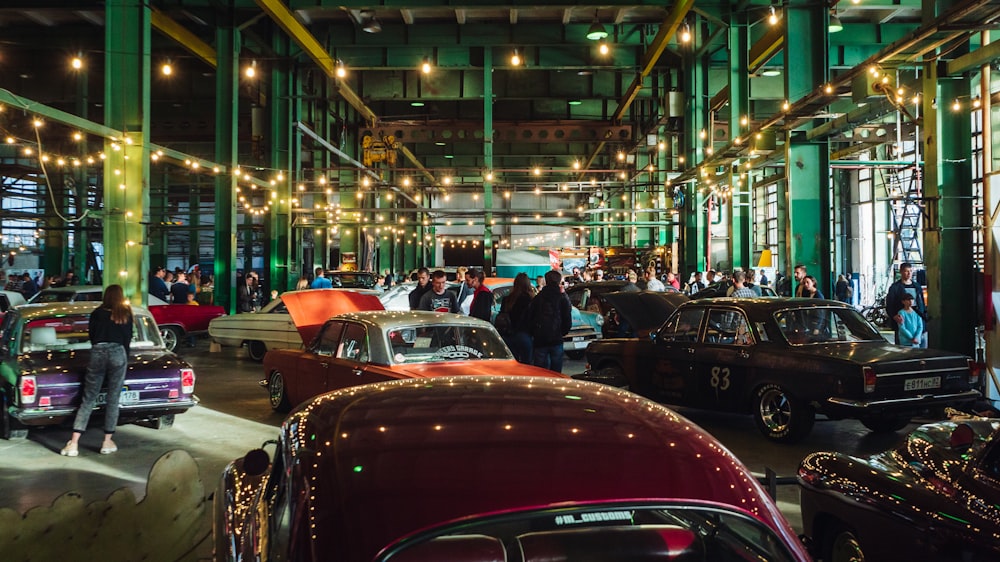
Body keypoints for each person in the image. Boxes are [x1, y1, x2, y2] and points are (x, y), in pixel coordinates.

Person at [60, 284, 133, 457]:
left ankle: (74, 443)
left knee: (88, 398)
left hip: (98, 352)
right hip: (118, 353)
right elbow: (127, 339)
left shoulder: (96, 313)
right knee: (113, 399)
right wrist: (124, 359)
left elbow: (92, 337)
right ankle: (107, 442)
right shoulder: (125, 313)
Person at [525, 269, 572, 373]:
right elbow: (567, 315)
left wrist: (533, 332)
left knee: (540, 370)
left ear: (546, 281)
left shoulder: (539, 297)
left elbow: (530, 316)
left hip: (540, 338)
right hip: (556, 337)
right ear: (559, 281)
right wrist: (563, 331)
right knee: (556, 370)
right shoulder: (562, 297)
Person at [886, 262, 926, 346]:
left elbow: (921, 303)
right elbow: (890, 304)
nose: (909, 273)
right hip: (902, 320)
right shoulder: (895, 288)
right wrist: (894, 315)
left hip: (915, 319)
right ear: (901, 272)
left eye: (911, 271)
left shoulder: (917, 287)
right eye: (906, 271)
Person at [497, 272, 534, 363]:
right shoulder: (530, 299)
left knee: (513, 364)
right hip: (524, 334)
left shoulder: (507, 299)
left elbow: (503, 314)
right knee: (526, 364)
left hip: (508, 334)